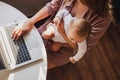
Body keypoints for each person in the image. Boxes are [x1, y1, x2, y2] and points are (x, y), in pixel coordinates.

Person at [12, 0, 113, 69]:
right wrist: (30, 21)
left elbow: (80, 47)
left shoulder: (102, 19)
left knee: (32, 68)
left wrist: (62, 33)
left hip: (64, 50)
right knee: (18, 54)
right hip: (50, 30)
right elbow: (52, 6)